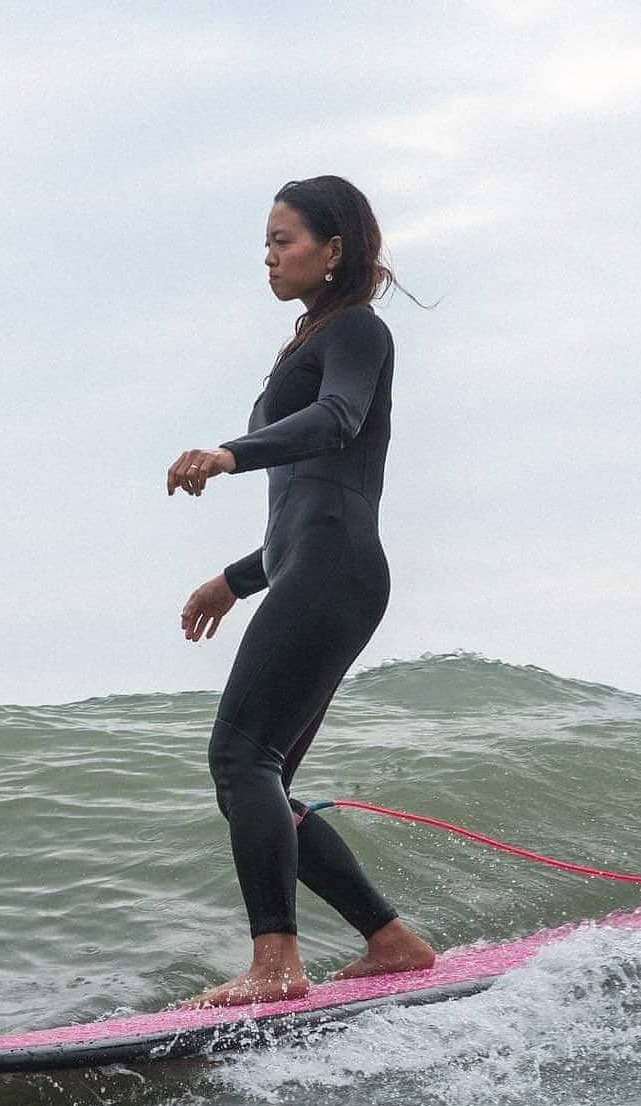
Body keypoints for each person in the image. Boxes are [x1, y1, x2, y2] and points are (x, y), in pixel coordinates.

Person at [166, 175, 435, 1008]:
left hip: (335, 569)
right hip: (320, 565)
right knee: (262, 775)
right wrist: (235, 579)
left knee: (240, 757)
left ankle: (276, 964)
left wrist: (233, 451)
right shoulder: (319, 334)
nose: (271, 257)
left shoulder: (358, 329)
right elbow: (304, 514)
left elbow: (340, 422)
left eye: (285, 240)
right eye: (267, 243)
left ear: (335, 247)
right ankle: (390, 940)